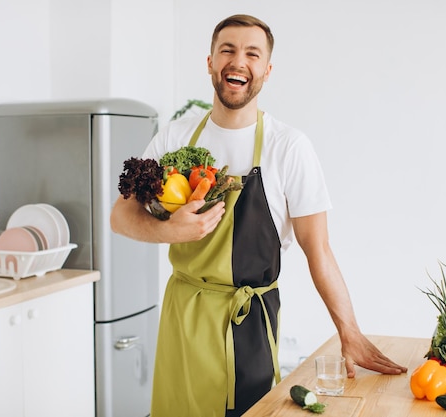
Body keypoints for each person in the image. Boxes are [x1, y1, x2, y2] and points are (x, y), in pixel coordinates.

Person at [110, 13, 407, 417]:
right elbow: (120, 216)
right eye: (227, 50)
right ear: (211, 62)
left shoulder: (289, 148)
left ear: (266, 70)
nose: (238, 61)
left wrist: (349, 331)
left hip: (247, 320)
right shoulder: (174, 137)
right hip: (183, 314)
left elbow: (318, 249)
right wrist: (171, 231)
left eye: (252, 53)